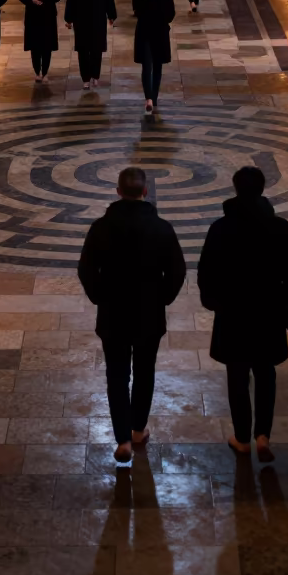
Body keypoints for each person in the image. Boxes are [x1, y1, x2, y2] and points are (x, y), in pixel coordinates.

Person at [78, 165, 186, 462]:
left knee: (116, 374)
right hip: (148, 314)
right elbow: (177, 270)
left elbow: (86, 269)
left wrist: (101, 297)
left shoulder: (101, 227)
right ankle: (138, 430)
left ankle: (122, 440)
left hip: (113, 313)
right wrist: (162, 298)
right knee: (145, 372)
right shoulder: (161, 228)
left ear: (118, 192)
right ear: (145, 192)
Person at [198, 166, 288, 461]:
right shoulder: (280, 227)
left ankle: (242, 436)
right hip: (269, 311)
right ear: (262, 188)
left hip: (233, 313)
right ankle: (263, 435)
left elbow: (206, 271)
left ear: (235, 189)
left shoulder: (221, 228)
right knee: (265, 372)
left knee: (237, 374)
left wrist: (213, 301)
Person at [64, 0, 117, 88]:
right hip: (81, 19)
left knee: (96, 49)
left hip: (97, 19)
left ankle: (95, 76)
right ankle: (85, 78)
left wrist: (111, 15)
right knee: (83, 50)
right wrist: (68, 18)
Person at [17, 0, 64, 82]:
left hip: (47, 14)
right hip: (33, 14)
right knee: (35, 46)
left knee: (46, 46)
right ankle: (37, 70)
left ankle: (45, 71)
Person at [134, 0, 175, 114]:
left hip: (160, 35)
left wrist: (156, 8)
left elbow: (170, 14)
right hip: (145, 35)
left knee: (158, 67)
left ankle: (154, 98)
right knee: (147, 66)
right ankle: (148, 99)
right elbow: (138, 12)